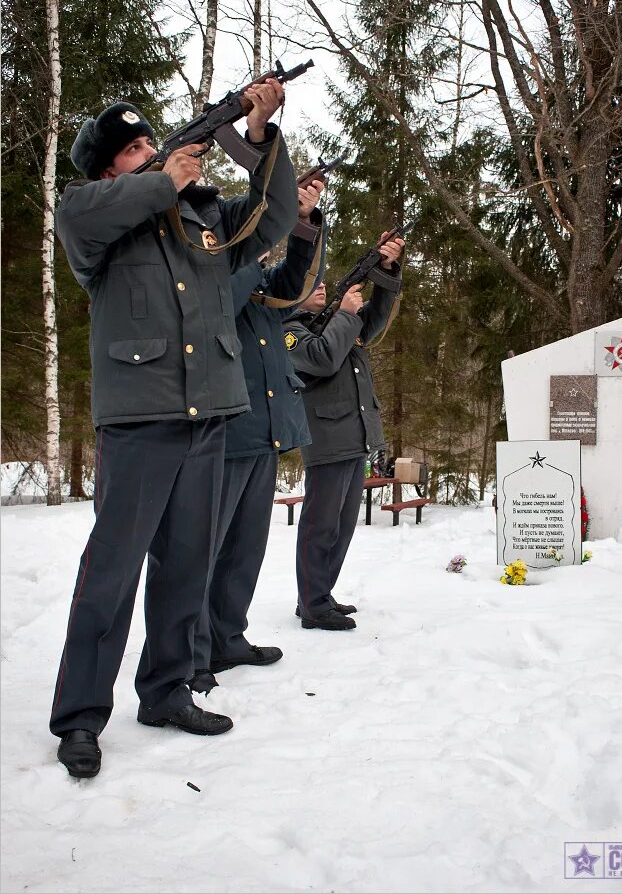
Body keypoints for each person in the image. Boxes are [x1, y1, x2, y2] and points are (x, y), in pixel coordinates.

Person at [51, 82, 297, 778]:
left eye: (148, 142)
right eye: (132, 149)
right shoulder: (89, 213)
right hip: (138, 421)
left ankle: (166, 691)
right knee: (112, 576)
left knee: (188, 565)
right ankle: (78, 718)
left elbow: (276, 220)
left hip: (208, 415)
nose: (149, 152)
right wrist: (163, 179)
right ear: (108, 170)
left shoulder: (206, 216)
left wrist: (256, 137)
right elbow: (86, 219)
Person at [176, 179, 326, 695]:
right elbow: (223, 298)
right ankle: (192, 655)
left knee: (246, 549)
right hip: (223, 429)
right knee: (205, 550)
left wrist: (303, 222)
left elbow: (295, 287)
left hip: (263, 431)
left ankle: (227, 636)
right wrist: (255, 247)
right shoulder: (212, 270)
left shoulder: (253, 275)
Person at [282, 232, 405, 630]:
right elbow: (321, 359)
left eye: (321, 282)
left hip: (355, 436)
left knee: (343, 525)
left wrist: (386, 270)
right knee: (321, 525)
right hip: (327, 438)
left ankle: (320, 594)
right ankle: (313, 603)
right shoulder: (289, 331)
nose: (319, 286)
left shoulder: (335, 322)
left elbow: (372, 322)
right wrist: (346, 314)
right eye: (309, 283)